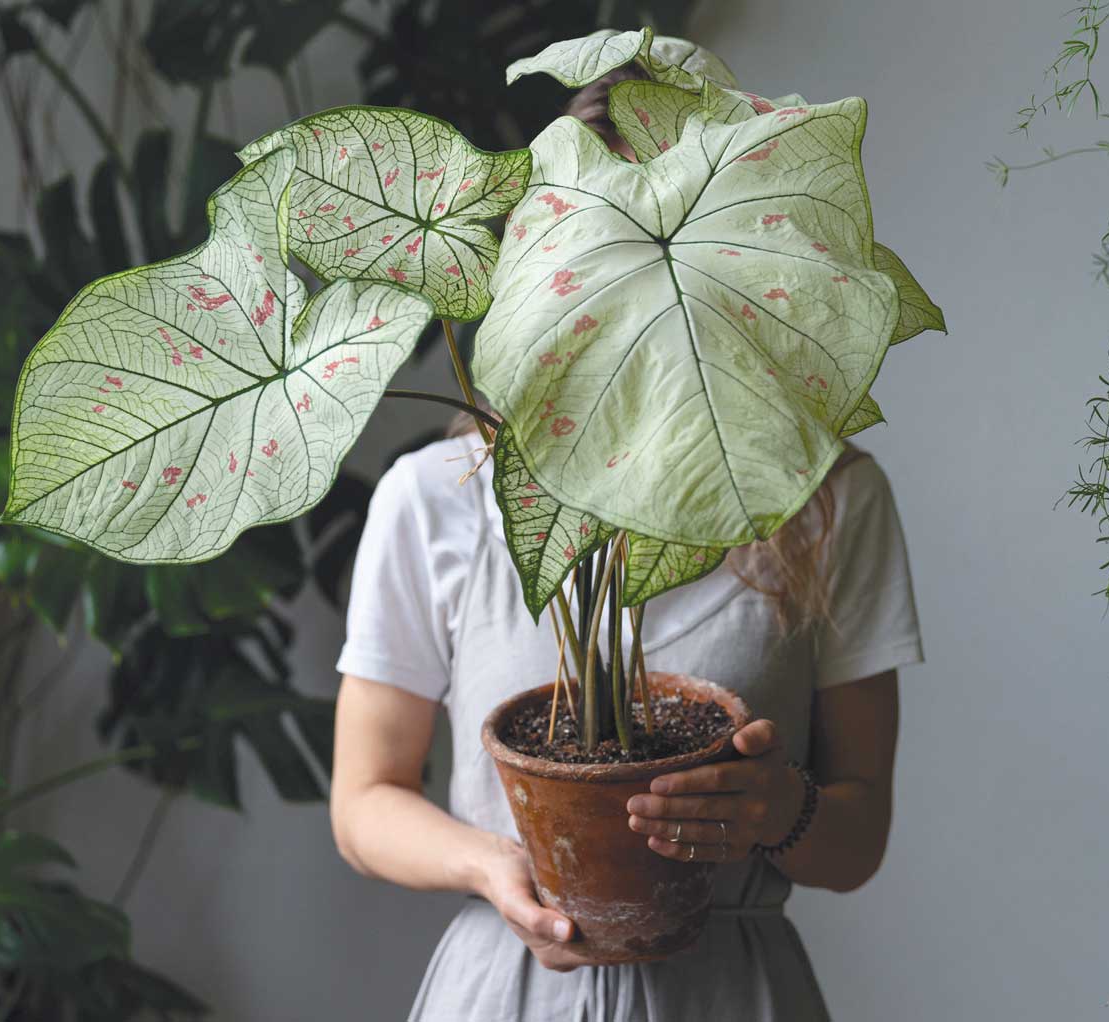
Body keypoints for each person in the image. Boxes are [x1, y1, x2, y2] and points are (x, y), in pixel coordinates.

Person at [329, 68, 924, 1022]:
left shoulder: (827, 499)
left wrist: (783, 809)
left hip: (730, 990)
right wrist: (498, 870)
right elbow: (363, 803)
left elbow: (859, 840)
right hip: (510, 988)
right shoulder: (438, 497)